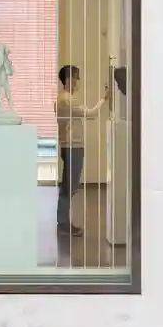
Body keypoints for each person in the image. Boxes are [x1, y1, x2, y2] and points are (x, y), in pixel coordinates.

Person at [55, 65, 108, 237]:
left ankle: (63, 222)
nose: (78, 81)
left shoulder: (63, 99)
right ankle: (63, 224)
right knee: (69, 187)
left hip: (69, 146)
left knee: (68, 186)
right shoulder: (67, 100)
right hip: (73, 147)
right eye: (76, 77)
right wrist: (104, 99)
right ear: (69, 79)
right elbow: (91, 114)